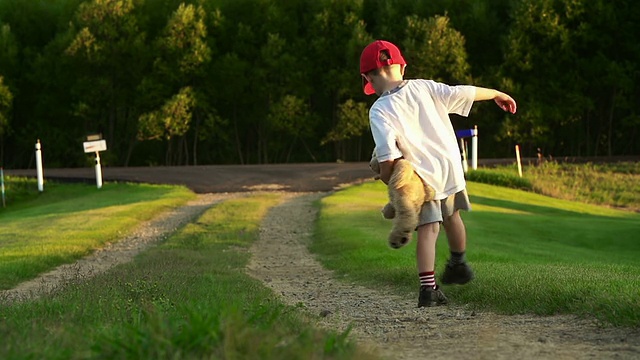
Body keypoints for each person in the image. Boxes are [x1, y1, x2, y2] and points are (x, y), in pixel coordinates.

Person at [360, 40, 517, 307]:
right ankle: (458, 263)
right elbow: (464, 92)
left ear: (368, 78)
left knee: (428, 230)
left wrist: (390, 180)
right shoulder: (425, 87)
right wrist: (496, 94)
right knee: (453, 217)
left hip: (422, 179)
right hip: (449, 169)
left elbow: (386, 155)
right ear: (403, 67)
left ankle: (428, 290)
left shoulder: (379, 110)